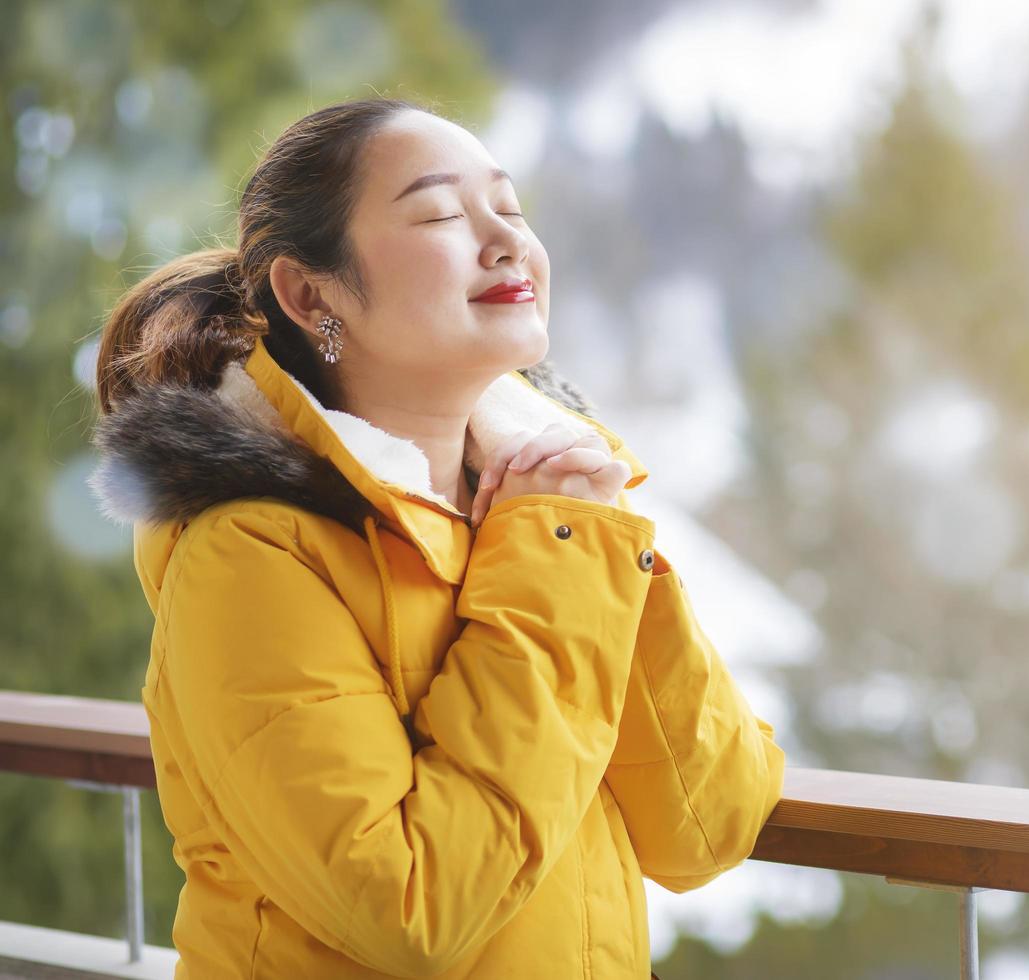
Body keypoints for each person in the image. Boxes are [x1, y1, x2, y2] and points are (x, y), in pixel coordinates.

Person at [84, 96, 786, 978]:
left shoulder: (552, 505)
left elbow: (708, 825)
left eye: (511, 207)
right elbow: (411, 908)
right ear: (311, 294)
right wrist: (553, 566)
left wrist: (585, 540)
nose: (505, 241)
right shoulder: (250, 553)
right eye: (443, 213)